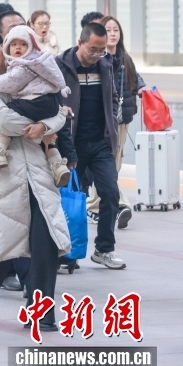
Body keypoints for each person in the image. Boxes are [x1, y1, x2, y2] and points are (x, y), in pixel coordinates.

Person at [0, 28, 71, 332]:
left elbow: (59, 110)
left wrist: (45, 124)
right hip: (4, 172)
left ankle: (42, 312)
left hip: (37, 169)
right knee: (8, 248)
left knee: (45, 243)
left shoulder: (28, 69)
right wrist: (37, 126)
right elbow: (2, 119)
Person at [55, 22, 126, 270]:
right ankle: (68, 252)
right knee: (72, 198)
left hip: (99, 144)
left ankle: (104, 249)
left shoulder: (106, 65)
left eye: (101, 49)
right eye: (92, 49)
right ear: (80, 43)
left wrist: (111, 126)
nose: (96, 54)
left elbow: (114, 97)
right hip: (70, 144)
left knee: (110, 193)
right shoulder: (60, 66)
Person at [0, 26, 71, 187]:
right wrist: (44, 128)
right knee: (47, 137)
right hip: (47, 103)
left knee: (10, 110)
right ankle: (57, 163)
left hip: (35, 101)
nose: (17, 48)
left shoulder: (26, 64)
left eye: (22, 44)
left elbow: (8, 83)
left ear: (31, 46)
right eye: (13, 44)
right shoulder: (39, 62)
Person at [86, 16, 144, 229]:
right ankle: (109, 205)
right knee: (105, 165)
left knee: (115, 165)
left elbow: (136, 79)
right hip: (102, 122)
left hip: (121, 120)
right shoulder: (96, 59)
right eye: (108, 29)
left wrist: (142, 90)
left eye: (116, 30)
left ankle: (100, 204)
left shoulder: (125, 58)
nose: (112, 33)